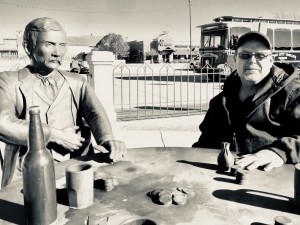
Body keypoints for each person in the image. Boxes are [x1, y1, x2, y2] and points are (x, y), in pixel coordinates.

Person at [0, 17, 126, 188]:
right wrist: (54, 134)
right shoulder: (8, 81)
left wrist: (108, 139)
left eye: (62, 45)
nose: (58, 52)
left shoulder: (77, 82)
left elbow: (95, 113)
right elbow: (3, 123)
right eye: (49, 44)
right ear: (28, 47)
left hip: (76, 170)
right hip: (26, 175)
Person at [193, 31, 300, 171]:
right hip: (223, 180)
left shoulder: (292, 94)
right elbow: (205, 143)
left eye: (260, 55)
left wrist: (279, 152)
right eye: (245, 55)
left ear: (270, 60)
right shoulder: (221, 101)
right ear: (235, 59)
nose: (252, 61)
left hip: (270, 180)